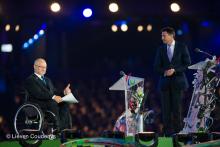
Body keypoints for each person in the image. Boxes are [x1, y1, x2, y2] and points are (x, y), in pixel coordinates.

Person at [154, 27, 191, 136]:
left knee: (177, 110)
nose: (162, 38)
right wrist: (165, 72)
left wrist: (175, 70)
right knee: (166, 112)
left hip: (178, 83)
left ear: (171, 35)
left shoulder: (182, 47)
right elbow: (156, 67)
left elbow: (187, 64)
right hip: (164, 84)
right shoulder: (160, 49)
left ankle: (178, 135)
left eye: (164, 35)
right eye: (161, 35)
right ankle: (166, 135)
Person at [24, 58, 72, 131]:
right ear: (35, 66)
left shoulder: (47, 80)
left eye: (45, 67)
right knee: (53, 103)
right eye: (41, 67)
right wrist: (53, 97)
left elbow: (54, 92)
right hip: (37, 104)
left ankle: (63, 128)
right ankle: (58, 128)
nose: (44, 69)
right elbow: (38, 94)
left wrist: (63, 93)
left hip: (48, 102)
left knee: (65, 103)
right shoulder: (30, 80)